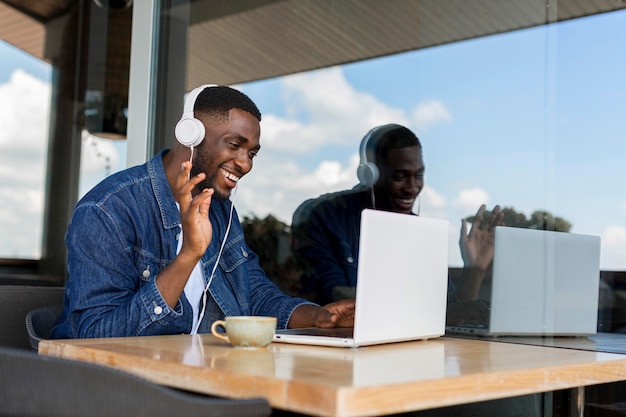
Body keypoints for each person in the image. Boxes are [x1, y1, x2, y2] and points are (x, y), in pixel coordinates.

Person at [51, 85, 354, 339]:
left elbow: (255, 294)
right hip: (119, 390)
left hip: (200, 378)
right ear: (191, 134)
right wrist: (189, 255)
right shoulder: (109, 210)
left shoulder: (221, 212)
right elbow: (93, 336)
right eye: (235, 145)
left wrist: (318, 316)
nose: (245, 164)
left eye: (251, 153)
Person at [291, 123, 504, 311]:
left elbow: (447, 315)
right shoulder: (323, 216)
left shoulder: (420, 233)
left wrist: (474, 270)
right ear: (369, 175)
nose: (412, 188)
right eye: (400, 176)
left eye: (418, 175)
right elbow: (334, 306)